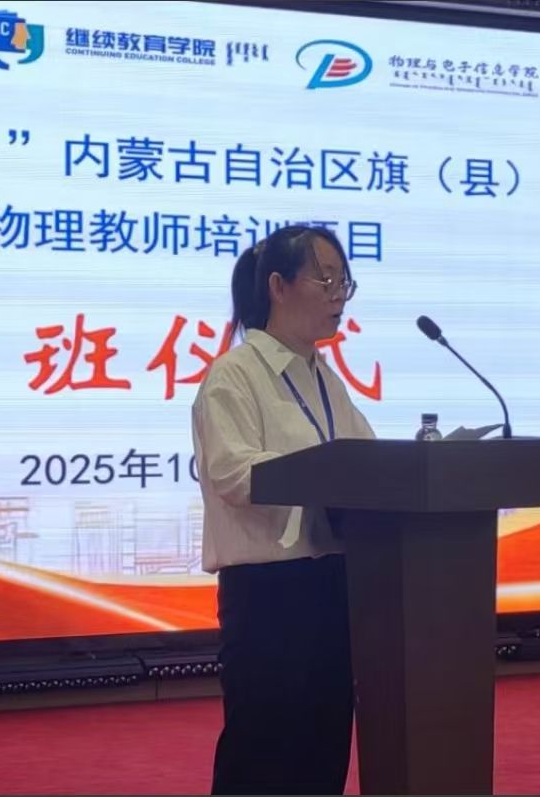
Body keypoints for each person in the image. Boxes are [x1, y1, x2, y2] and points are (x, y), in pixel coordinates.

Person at [191, 225, 375, 795]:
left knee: (322, 756)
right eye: (326, 279)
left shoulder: (327, 381)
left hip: (334, 587)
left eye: (344, 282)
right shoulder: (233, 375)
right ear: (277, 286)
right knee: (263, 758)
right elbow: (232, 472)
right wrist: (320, 473)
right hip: (269, 596)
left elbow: (372, 465)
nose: (338, 295)